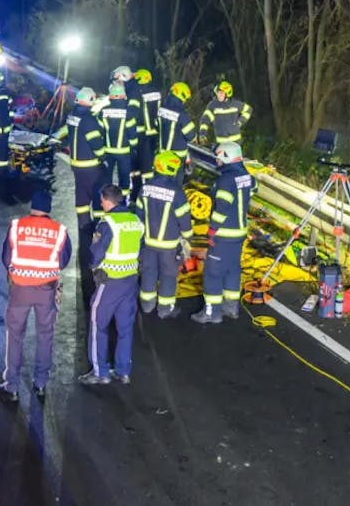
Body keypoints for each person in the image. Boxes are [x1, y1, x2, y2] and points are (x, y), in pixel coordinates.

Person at [0, 189, 72, 403]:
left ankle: (11, 385)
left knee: (15, 336)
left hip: (20, 289)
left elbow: (6, 258)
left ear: (32, 207)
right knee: (45, 336)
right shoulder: (59, 231)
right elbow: (63, 261)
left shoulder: (16, 226)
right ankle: (40, 384)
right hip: (46, 291)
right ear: (49, 209)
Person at [79, 185, 144, 385]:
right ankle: (123, 370)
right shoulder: (135, 221)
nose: (100, 204)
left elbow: (96, 255)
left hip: (110, 281)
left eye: (101, 201)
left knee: (98, 324)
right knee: (125, 327)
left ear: (107, 201)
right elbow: (140, 249)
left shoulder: (107, 223)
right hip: (131, 281)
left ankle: (100, 372)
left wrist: (91, 267)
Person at [193, 142, 253, 324]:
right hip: (239, 232)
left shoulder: (225, 180)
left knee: (213, 272)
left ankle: (212, 312)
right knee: (232, 269)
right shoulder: (246, 175)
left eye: (219, 156)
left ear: (226, 157)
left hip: (225, 234)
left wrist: (212, 231)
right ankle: (231, 307)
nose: (217, 160)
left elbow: (222, 208)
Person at [138, 151, 192, 318]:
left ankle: (147, 305)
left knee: (148, 273)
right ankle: (165, 309)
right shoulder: (177, 192)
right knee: (168, 277)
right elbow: (184, 220)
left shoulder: (145, 188)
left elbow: (139, 216)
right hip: (169, 246)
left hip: (148, 244)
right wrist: (187, 238)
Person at [53, 87, 106, 256]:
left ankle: (83, 224)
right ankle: (98, 225)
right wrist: (103, 157)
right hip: (90, 165)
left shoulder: (73, 116)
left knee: (81, 194)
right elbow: (96, 143)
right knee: (97, 196)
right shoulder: (89, 120)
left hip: (76, 164)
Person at [97, 83, 139, 192]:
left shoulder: (102, 111)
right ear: (123, 95)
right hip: (124, 152)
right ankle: (123, 202)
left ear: (110, 96)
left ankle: (107, 200)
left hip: (107, 152)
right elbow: (132, 134)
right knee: (124, 179)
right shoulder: (128, 112)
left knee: (106, 178)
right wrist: (134, 148)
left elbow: (99, 132)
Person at [133, 69, 161, 199]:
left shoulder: (137, 92)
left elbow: (135, 113)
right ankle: (151, 193)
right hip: (154, 133)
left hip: (141, 133)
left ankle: (136, 194)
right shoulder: (157, 92)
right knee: (150, 165)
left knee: (138, 166)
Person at [198, 81, 252, 147]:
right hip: (221, 143)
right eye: (218, 93)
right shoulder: (213, 105)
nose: (219, 95)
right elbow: (205, 120)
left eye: (221, 93)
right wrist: (203, 134)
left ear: (227, 94)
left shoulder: (235, 104)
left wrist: (240, 122)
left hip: (236, 142)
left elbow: (248, 110)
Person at [157, 81, 197, 162]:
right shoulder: (181, 115)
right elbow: (191, 136)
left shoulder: (161, 109)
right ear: (182, 96)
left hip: (162, 153)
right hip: (177, 156)